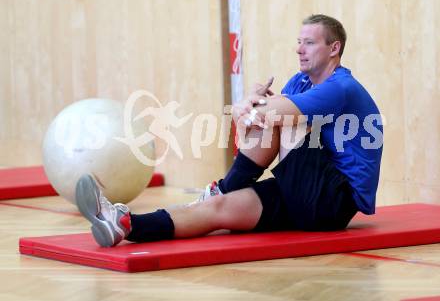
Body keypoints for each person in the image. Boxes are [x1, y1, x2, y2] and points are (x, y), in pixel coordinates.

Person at [75, 14, 383, 247]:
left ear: (335, 48)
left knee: (286, 118)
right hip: (304, 193)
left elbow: (268, 116)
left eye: (310, 43)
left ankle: (227, 184)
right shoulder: (300, 83)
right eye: (299, 42)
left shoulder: (340, 87)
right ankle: (124, 224)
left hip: (334, 201)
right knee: (218, 208)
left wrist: (247, 103)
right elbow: (256, 124)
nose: (299, 49)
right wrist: (250, 106)